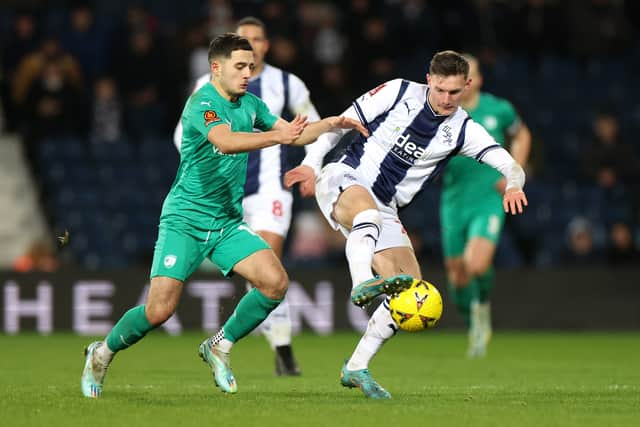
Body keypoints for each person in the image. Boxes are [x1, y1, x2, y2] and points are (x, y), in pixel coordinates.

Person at [80, 33, 366, 398]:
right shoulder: (203, 103)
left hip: (226, 222)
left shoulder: (251, 104)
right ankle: (101, 353)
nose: (248, 73)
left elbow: (293, 135)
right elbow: (226, 141)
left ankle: (220, 344)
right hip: (185, 220)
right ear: (216, 68)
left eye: (251, 66)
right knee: (159, 310)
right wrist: (278, 138)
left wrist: (331, 124)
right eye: (240, 67)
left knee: (275, 282)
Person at [285, 50, 528, 399]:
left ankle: (356, 366)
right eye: (441, 90)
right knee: (365, 215)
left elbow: (509, 164)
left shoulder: (462, 129)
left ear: (467, 86)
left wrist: (515, 183)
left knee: (410, 292)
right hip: (344, 176)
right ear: (429, 79)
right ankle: (362, 283)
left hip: (385, 206)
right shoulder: (398, 92)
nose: (446, 99)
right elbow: (340, 123)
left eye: (455, 93)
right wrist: (311, 163)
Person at [173, 16, 320, 376]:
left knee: (269, 266)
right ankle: (256, 340)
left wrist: (313, 165)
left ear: (265, 45)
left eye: (256, 39)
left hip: (270, 189)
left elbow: (311, 126)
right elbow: (182, 135)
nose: (250, 45)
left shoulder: (288, 83)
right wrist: (204, 165)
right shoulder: (206, 87)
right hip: (224, 193)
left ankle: (282, 349)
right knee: (258, 277)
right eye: (244, 40)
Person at [439, 53, 531, 358]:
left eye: (469, 75)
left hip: (488, 197)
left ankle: (482, 309)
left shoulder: (498, 109)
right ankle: (473, 322)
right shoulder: (441, 111)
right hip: (453, 199)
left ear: (476, 80)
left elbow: (522, 134)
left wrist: (515, 170)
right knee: (457, 272)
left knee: (475, 263)